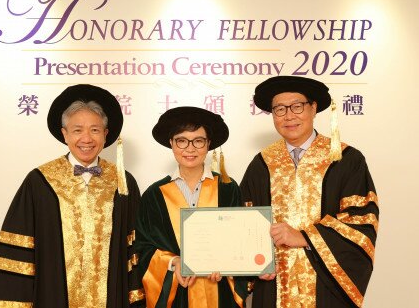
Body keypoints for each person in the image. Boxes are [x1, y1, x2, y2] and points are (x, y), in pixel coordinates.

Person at [0, 84, 145, 308]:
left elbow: (135, 252)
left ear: (106, 135)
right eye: (77, 130)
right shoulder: (40, 182)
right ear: (64, 134)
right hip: (52, 298)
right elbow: (19, 258)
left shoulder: (123, 183)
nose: (86, 138)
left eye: (95, 130)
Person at [240, 76, 379, 308]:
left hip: (326, 288)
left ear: (313, 108)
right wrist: (253, 267)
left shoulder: (346, 159)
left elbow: (361, 220)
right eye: (279, 109)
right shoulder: (261, 164)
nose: (288, 116)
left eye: (297, 106)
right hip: (273, 284)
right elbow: (243, 220)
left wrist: (305, 237)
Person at [135, 107, 249, 308]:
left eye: (198, 141)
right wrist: (173, 262)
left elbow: (242, 239)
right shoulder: (154, 195)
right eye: (181, 140)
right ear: (171, 143)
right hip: (177, 294)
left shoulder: (228, 189)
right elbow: (143, 248)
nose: (190, 148)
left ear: (208, 144)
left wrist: (225, 262)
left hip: (219, 292)